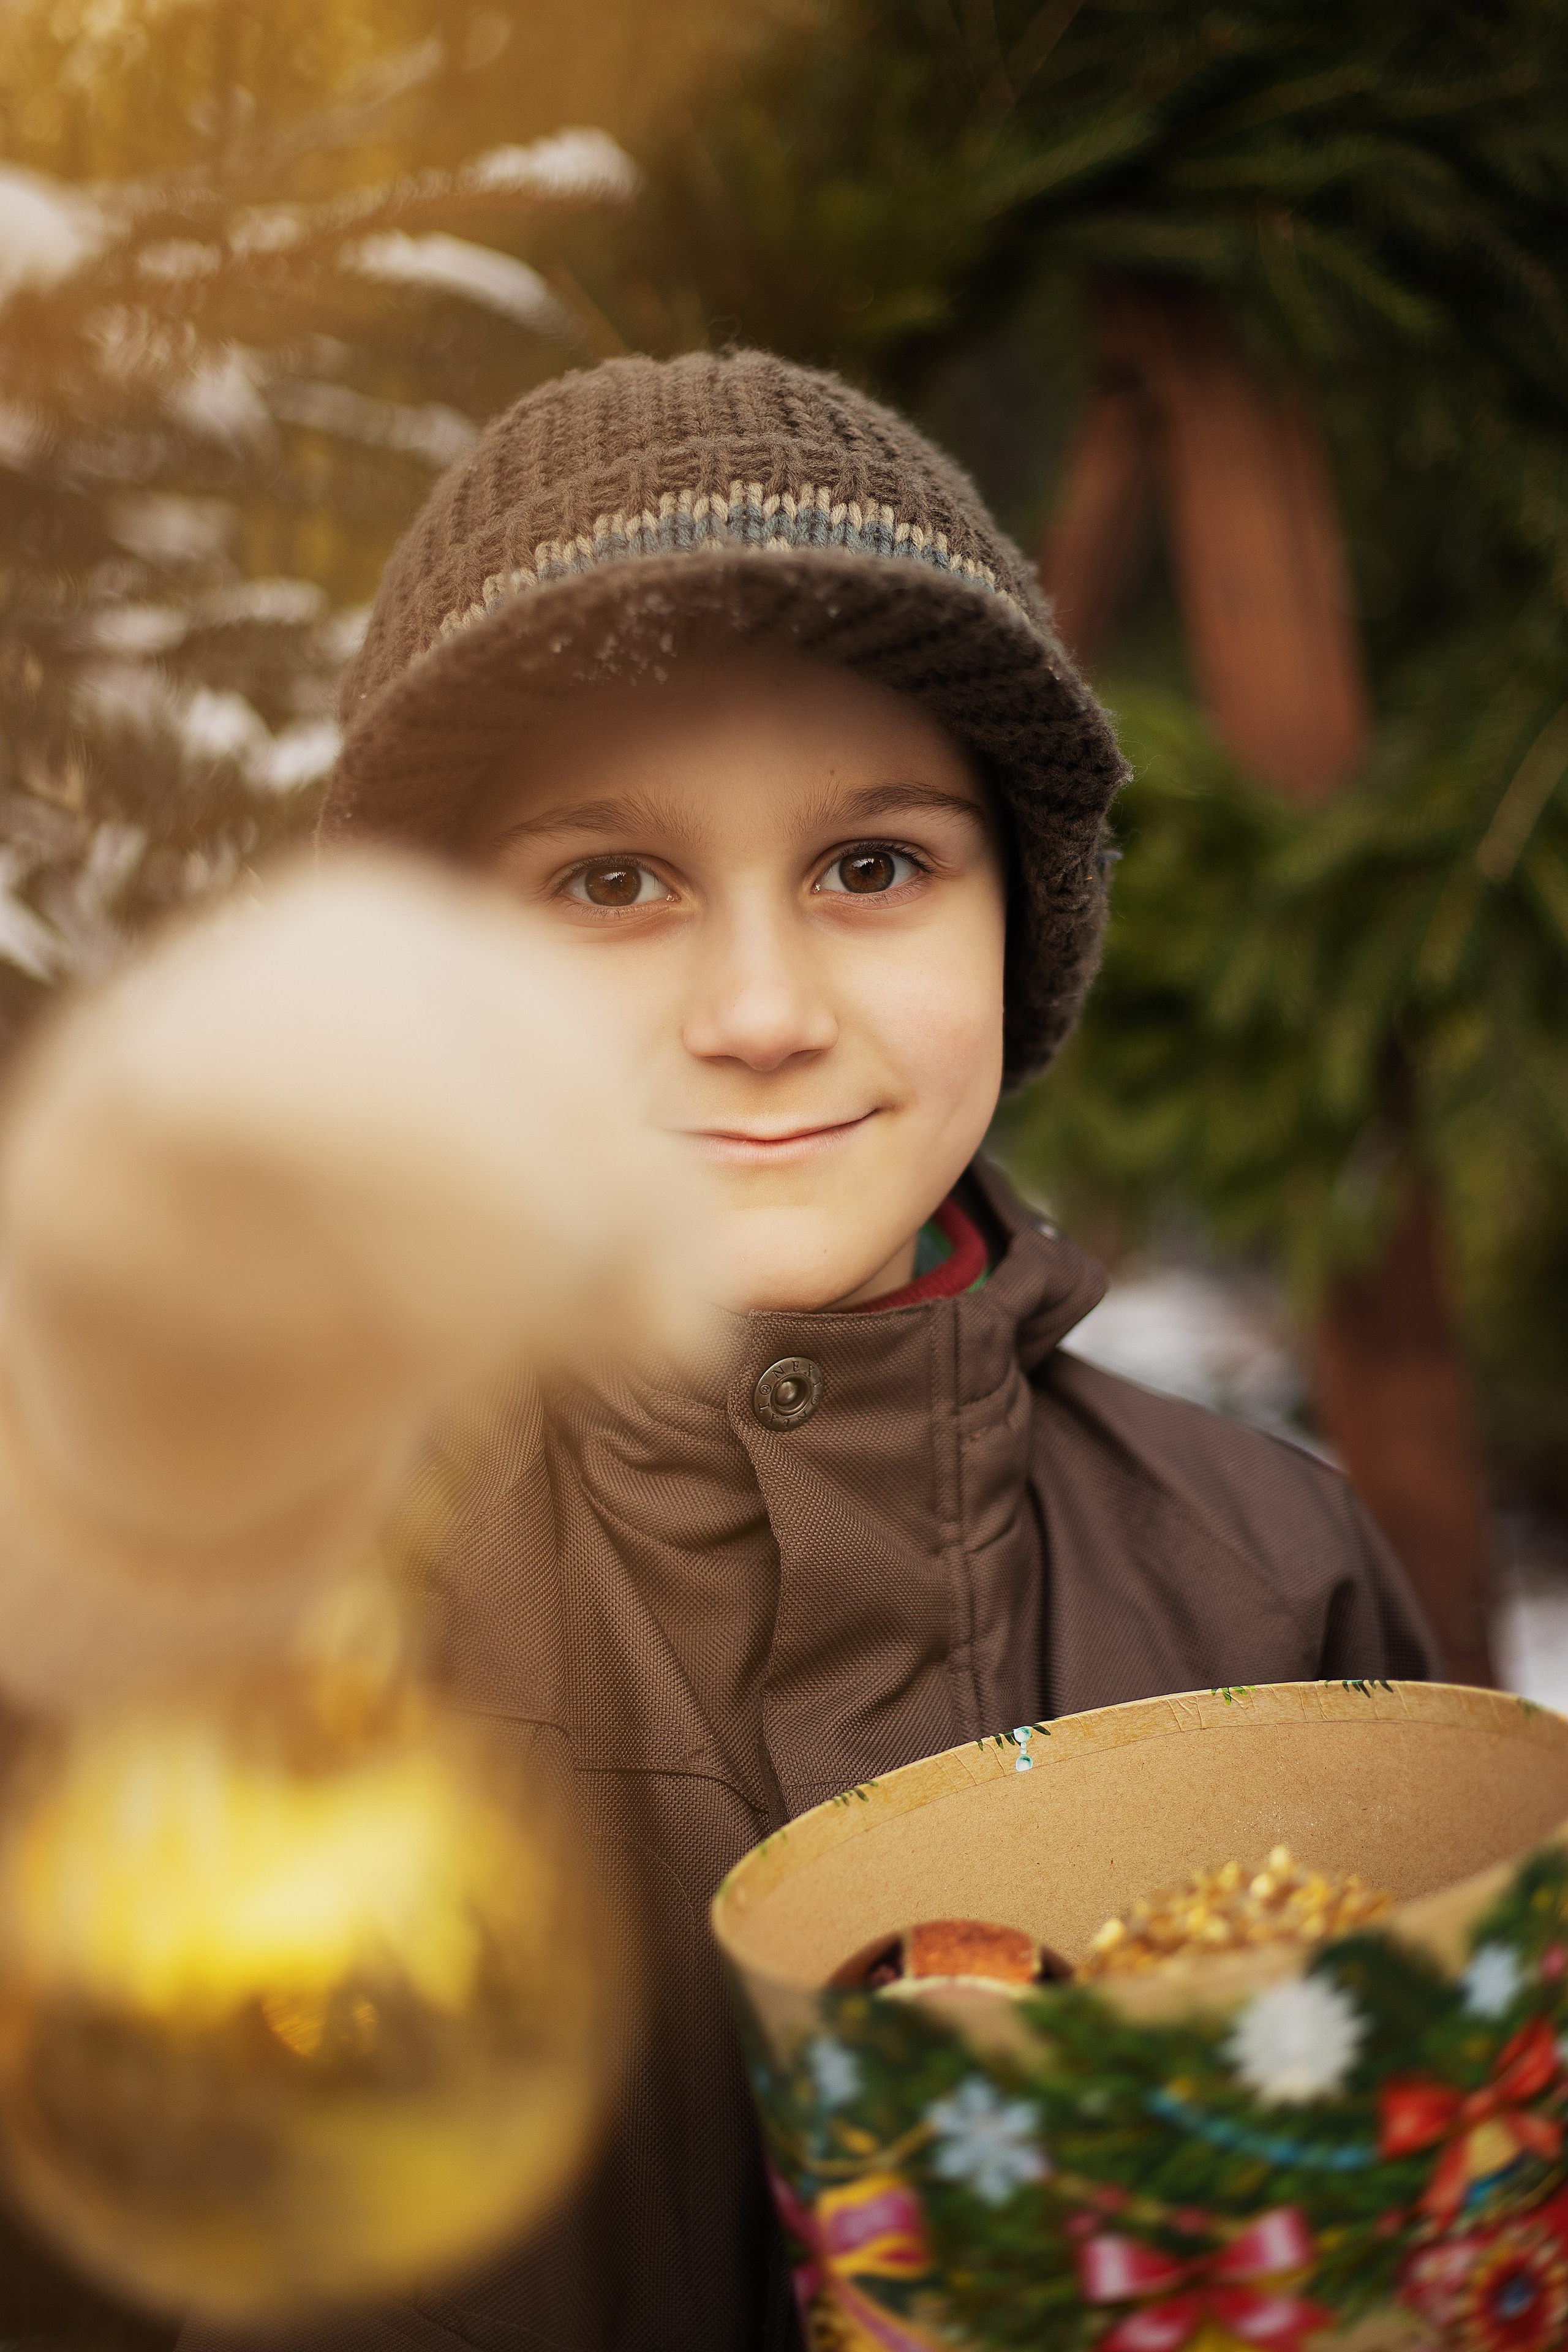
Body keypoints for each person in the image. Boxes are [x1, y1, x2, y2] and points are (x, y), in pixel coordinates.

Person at [78, 348, 1438, 2352]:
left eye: (872, 864)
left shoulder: (1269, 1579)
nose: (760, 1008)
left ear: (1016, 917)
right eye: (612, 882)